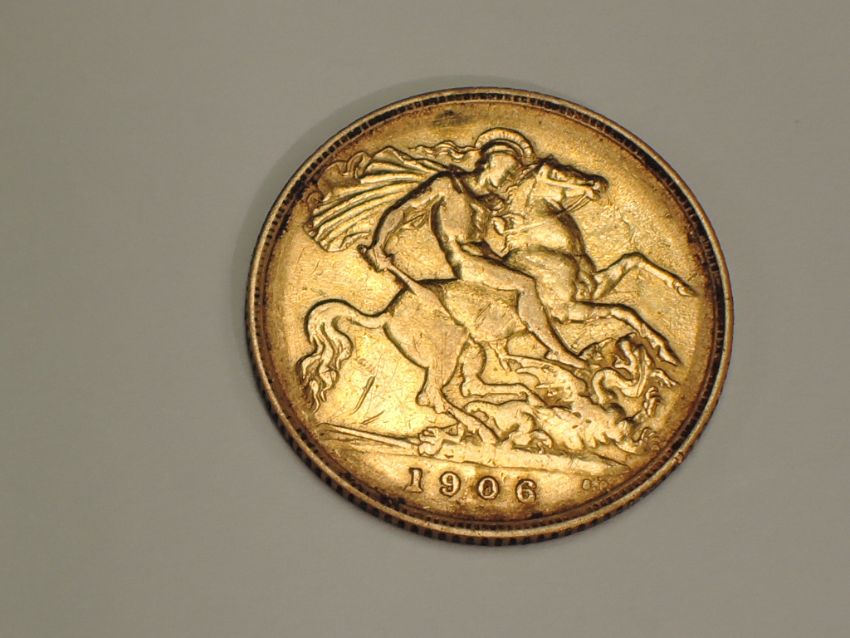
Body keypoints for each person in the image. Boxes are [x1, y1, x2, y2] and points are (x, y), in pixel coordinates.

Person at [363, 137, 585, 369]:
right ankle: (558, 351)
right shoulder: (448, 186)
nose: (510, 178)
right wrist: (378, 244)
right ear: (490, 164)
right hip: (467, 261)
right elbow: (403, 210)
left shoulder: (487, 201)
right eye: (509, 171)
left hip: (487, 259)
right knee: (525, 285)